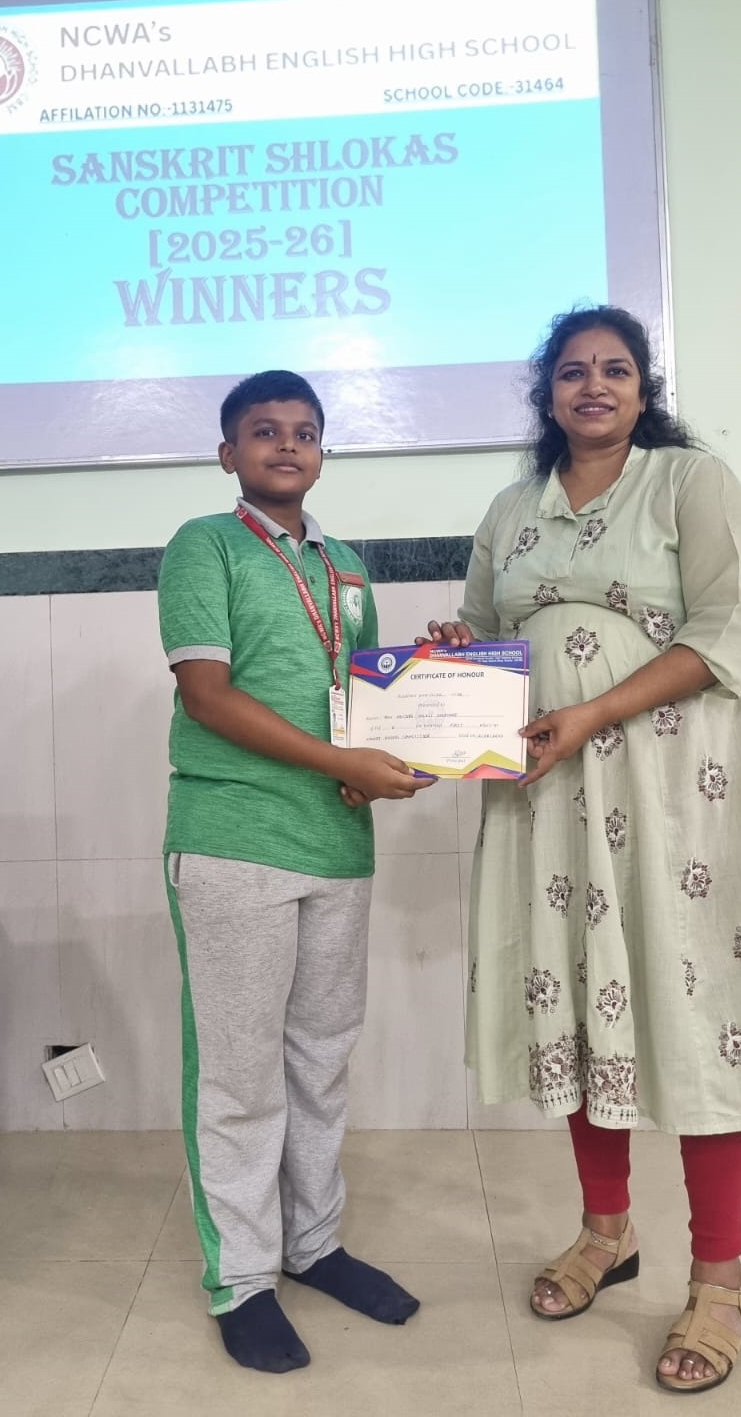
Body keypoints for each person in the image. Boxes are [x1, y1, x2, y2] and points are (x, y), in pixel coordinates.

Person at [426, 306, 741, 1394]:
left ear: (644, 390)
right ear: (547, 394)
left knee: (701, 1010)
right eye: (573, 371)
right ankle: (606, 1231)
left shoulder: (690, 484)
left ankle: (721, 1276)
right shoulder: (513, 509)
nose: (594, 385)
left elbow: (728, 628)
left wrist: (595, 711)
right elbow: (488, 635)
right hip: (550, 798)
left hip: (678, 794)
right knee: (571, 995)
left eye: (616, 369)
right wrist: (457, 655)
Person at [158, 368, 432, 1375]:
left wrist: (436, 673)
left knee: (319, 1057)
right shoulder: (205, 545)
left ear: (322, 451)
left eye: (305, 431)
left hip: (337, 843)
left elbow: (362, 697)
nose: (287, 445)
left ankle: (312, 1243)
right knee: (239, 1073)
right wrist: (337, 760)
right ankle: (241, 1277)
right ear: (228, 452)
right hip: (233, 840)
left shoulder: (345, 566)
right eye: (264, 431)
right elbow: (208, 695)